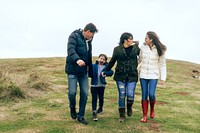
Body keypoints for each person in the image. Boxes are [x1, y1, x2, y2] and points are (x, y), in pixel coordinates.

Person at [65, 23, 98, 125]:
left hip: (84, 71)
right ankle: (72, 108)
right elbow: (71, 50)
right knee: (72, 92)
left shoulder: (89, 41)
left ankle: (81, 116)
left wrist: (89, 68)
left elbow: (89, 54)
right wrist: (77, 59)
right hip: (73, 70)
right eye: (92, 34)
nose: (93, 37)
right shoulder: (73, 36)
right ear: (87, 32)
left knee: (84, 93)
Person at [104, 32, 140, 122]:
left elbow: (144, 56)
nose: (132, 41)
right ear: (125, 40)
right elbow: (112, 61)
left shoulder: (136, 48)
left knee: (130, 95)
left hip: (132, 75)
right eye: (130, 39)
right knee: (122, 95)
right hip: (120, 75)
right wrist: (106, 70)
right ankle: (122, 115)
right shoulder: (117, 49)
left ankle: (129, 107)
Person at [139, 31, 167, 123]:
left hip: (153, 75)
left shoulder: (160, 50)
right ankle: (144, 116)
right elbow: (140, 59)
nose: (145, 39)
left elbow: (162, 64)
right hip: (143, 74)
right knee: (144, 94)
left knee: (151, 94)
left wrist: (163, 77)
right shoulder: (142, 48)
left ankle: (152, 109)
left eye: (146, 38)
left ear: (151, 39)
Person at [90, 54, 113, 121]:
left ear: (105, 61)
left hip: (102, 85)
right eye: (101, 58)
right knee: (94, 98)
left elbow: (111, 72)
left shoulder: (106, 67)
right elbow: (89, 72)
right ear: (98, 58)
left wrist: (106, 73)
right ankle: (94, 111)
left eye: (103, 59)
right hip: (94, 85)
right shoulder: (94, 66)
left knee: (101, 97)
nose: (102, 60)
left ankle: (100, 108)